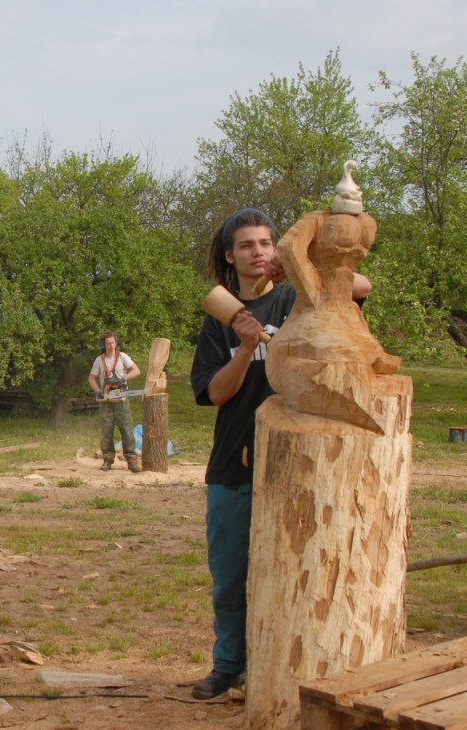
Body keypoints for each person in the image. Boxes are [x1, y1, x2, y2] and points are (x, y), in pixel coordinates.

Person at [188, 208, 371, 699]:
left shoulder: (298, 297)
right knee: (230, 580)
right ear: (231, 255)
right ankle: (229, 666)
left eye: (267, 243)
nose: (259, 252)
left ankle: (289, 672)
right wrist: (246, 348)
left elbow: (361, 287)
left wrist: (298, 265)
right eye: (247, 245)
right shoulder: (220, 320)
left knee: (299, 574)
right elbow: (214, 395)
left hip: (298, 463)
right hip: (234, 466)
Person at [88, 331, 142, 472]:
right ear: (103, 345)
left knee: (127, 431)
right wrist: (98, 390)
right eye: (108, 343)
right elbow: (91, 378)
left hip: (121, 401)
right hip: (106, 403)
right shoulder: (99, 360)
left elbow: (136, 371)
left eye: (113, 342)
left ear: (116, 342)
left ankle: (131, 460)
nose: (111, 345)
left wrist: (124, 378)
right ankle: (107, 459)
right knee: (106, 432)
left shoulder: (123, 357)